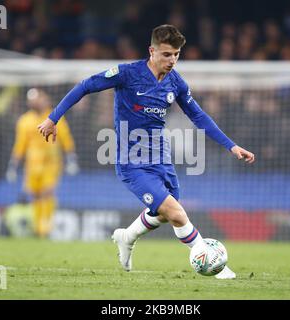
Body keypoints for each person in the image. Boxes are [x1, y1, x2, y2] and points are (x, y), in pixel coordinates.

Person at [37, 25, 254, 278]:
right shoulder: (128, 74)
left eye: (176, 54)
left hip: (161, 158)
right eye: (166, 54)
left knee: (165, 215)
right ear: (152, 51)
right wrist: (53, 118)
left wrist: (231, 145)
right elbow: (86, 85)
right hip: (131, 162)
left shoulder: (176, 83)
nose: (172, 60)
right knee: (176, 212)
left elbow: (199, 116)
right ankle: (212, 261)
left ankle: (126, 237)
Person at [7, 88, 79, 238]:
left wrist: (71, 158)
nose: (34, 102)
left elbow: (65, 138)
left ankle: (46, 226)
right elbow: (20, 145)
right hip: (32, 164)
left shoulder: (55, 116)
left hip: (51, 162)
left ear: (43, 99)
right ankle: (38, 226)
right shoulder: (24, 121)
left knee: (48, 192)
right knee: (35, 195)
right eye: (31, 99)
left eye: (36, 98)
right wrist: (13, 166)